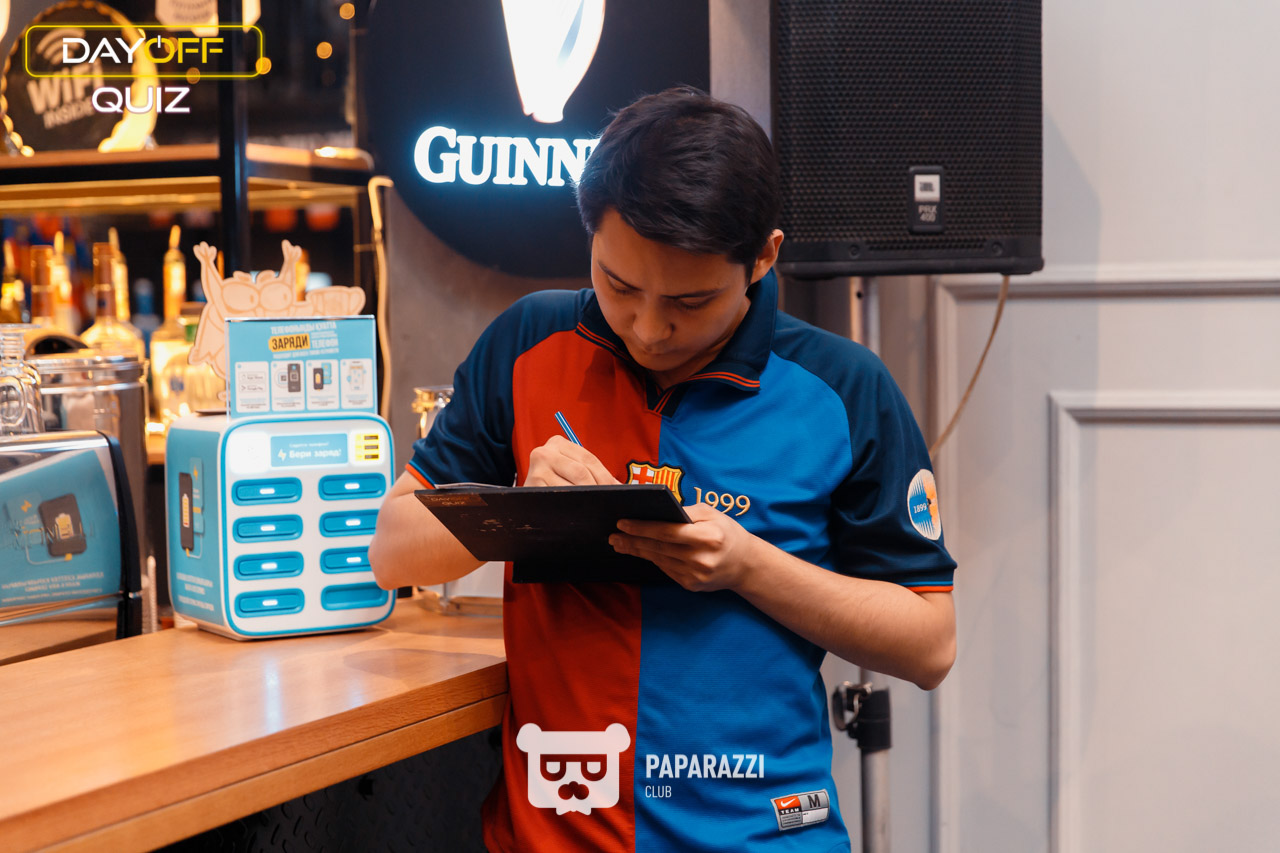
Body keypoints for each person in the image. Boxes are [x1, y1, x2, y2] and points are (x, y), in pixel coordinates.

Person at [370, 86, 957, 853]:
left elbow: (929, 643)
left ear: (764, 257)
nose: (648, 328)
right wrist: (515, 505)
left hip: (765, 835)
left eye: (691, 300)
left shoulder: (842, 387)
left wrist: (748, 565)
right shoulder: (527, 343)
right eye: (618, 285)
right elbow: (392, 552)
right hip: (555, 834)